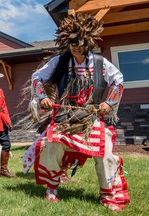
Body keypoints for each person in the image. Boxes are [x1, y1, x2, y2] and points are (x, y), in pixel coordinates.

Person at [22, 13, 130, 211]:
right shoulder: (60, 61)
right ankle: (52, 187)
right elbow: (37, 77)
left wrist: (108, 102)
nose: (77, 49)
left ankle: (107, 193)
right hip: (64, 116)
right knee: (52, 144)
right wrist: (42, 97)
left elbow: (118, 81)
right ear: (68, 44)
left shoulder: (99, 63)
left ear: (87, 43)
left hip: (92, 117)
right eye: (73, 45)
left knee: (104, 152)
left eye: (80, 45)